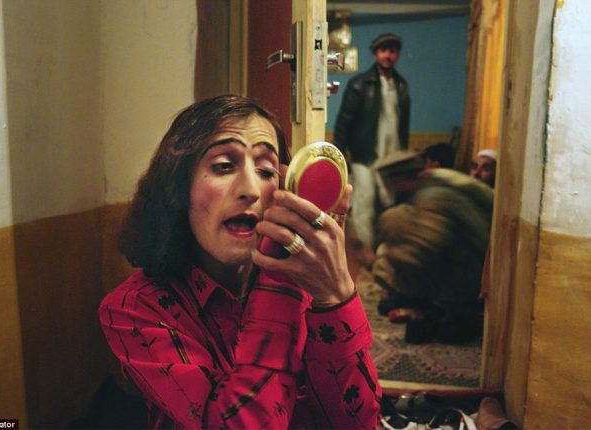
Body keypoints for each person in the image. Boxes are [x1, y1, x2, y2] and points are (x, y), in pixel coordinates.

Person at [99, 95, 381, 429]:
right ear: (178, 189)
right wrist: (280, 281)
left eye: (267, 170)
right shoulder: (135, 309)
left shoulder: (309, 283)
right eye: (223, 166)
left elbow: (357, 422)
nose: (251, 189)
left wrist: (337, 297)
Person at [372, 150, 494, 344]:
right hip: (452, 276)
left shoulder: (433, 197)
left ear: (398, 179)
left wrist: (378, 256)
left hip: (466, 281)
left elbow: (425, 248)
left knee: (449, 334)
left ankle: (450, 315)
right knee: (389, 306)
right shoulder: (426, 189)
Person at [333, 33, 410, 251]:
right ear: (376, 53)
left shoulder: (401, 85)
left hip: (392, 157)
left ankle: (384, 251)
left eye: (392, 51)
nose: (388, 55)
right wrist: (341, 157)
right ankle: (366, 251)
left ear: (397, 55)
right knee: (364, 204)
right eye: (383, 50)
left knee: (389, 205)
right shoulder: (359, 84)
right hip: (364, 156)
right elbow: (344, 122)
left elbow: (404, 124)